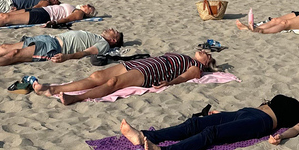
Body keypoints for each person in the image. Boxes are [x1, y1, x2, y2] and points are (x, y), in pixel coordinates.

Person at [119, 91, 299, 150]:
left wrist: (282, 136)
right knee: (196, 123)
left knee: (211, 133)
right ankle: (146, 136)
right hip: (247, 112)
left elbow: (297, 129)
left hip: (261, 122)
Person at [32, 50, 217, 105]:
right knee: (98, 75)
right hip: (145, 63)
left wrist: (170, 82)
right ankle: (52, 89)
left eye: (206, 54)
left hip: (153, 72)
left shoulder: (196, 67)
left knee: (114, 83)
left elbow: (186, 77)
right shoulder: (187, 57)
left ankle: (76, 97)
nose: (203, 51)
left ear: (207, 62)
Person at [0, 28, 123, 69]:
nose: (109, 29)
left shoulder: (103, 44)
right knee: (5, 47)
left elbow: (86, 52)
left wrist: (67, 57)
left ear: (114, 40)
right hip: (49, 38)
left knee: (15, 54)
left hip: (53, 47)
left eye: (112, 31)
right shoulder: (98, 36)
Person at [0, 3, 96, 29]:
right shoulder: (75, 7)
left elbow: (67, 19)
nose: (86, 6)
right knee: (5, 15)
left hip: (44, 16)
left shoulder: (79, 13)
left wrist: (54, 23)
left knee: (7, 19)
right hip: (43, 11)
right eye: (87, 4)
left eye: (89, 8)